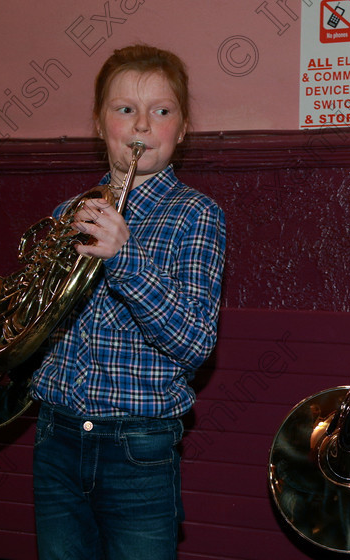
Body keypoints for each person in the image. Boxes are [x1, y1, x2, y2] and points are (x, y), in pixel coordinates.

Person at [29, 44, 226, 560]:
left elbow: (194, 344)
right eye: (125, 110)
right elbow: (40, 322)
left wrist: (126, 257)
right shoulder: (69, 211)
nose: (142, 126)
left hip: (139, 446)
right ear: (99, 123)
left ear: (182, 129)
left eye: (161, 111)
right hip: (57, 434)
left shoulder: (197, 216)